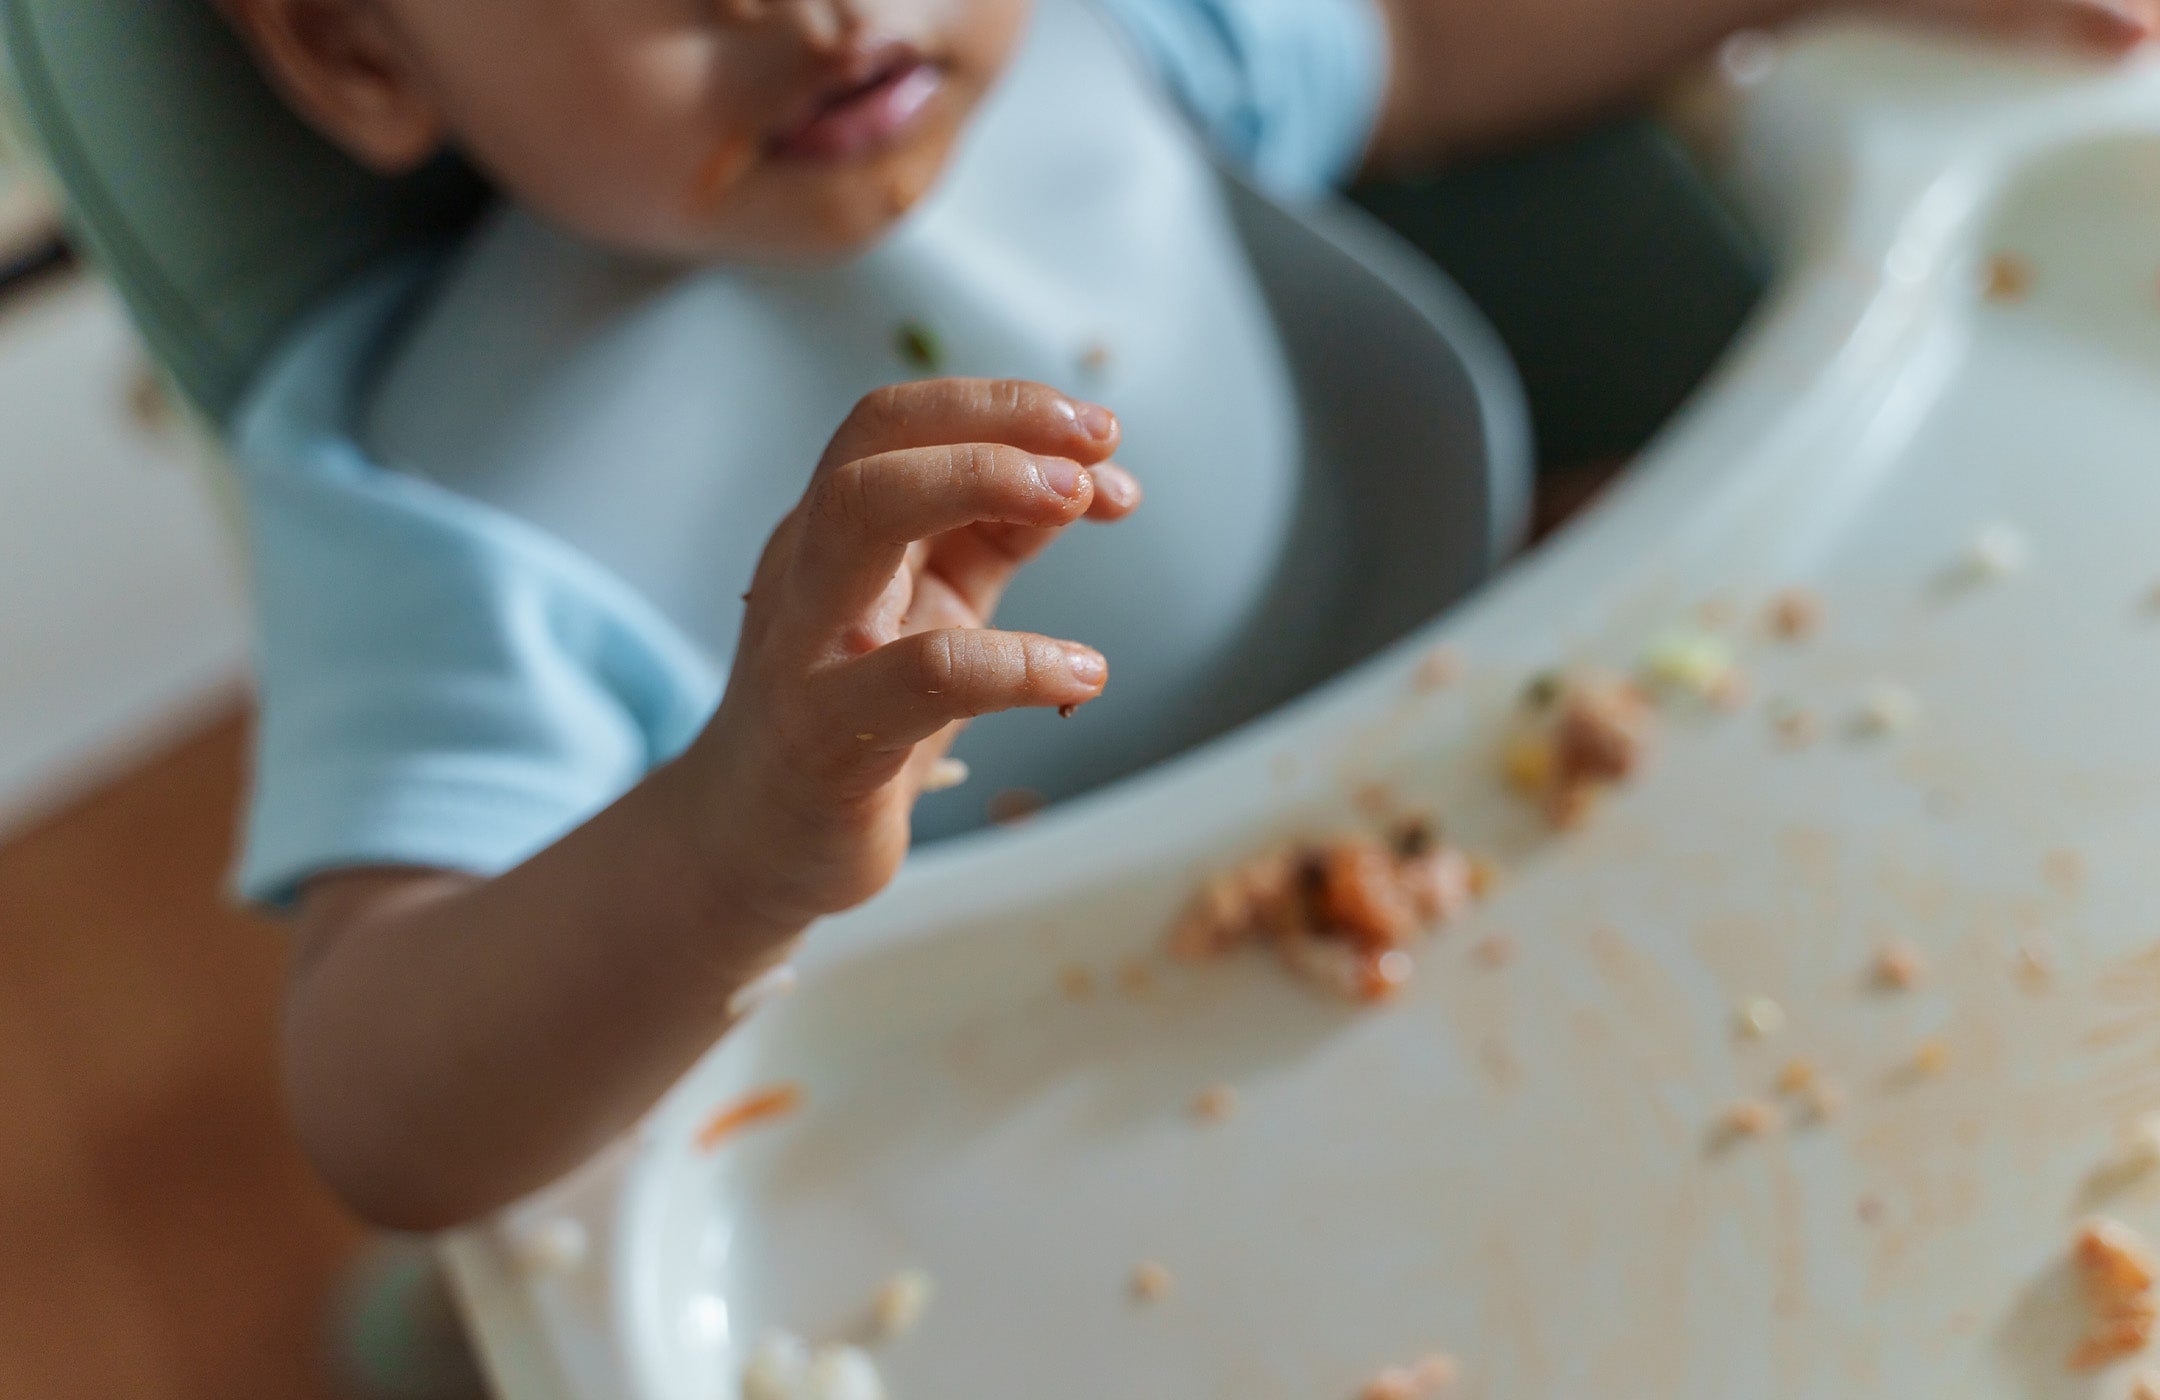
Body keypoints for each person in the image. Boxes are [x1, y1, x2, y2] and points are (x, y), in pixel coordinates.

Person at [211, 0, 2153, 1233]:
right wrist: (733, 841)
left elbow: (1420, 38)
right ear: (353, 45)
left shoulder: (1119, 45)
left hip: (1538, 850)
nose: (818, 10)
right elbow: (380, 1102)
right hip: (1042, 1143)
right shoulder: (450, 509)